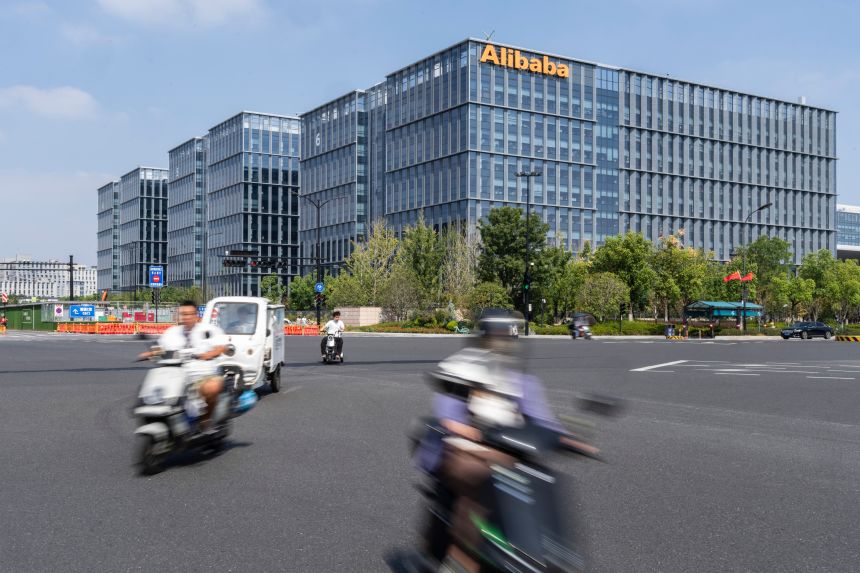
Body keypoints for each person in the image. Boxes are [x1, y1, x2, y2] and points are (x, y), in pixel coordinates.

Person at [416, 309, 595, 571]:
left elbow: (541, 418)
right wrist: (469, 432)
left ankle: (546, 554)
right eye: (496, 338)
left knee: (545, 477)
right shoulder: (463, 367)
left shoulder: (521, 381)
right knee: (479, 482)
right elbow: (447, 411)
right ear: (484, 338)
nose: (502, 344)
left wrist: (568, 439)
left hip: (507, 453)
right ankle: (459, 561)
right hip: (464, 451)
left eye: (507, 338)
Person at [139, 300, 227, 429]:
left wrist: (209, 354)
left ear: (197, 315)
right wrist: (149, 353)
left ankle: (206, 419)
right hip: (177, 376)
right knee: (152, 389)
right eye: (183, 314)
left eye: (190, 314)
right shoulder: (172, 332)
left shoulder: (209, 330)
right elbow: (161, 348)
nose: (186, 317)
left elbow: (221, 347)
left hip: (203, 375)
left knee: (212, 386)